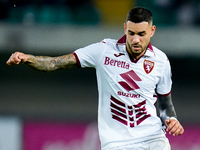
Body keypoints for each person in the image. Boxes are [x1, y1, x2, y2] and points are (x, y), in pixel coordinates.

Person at [6, 7, 184, 150]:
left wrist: (172, 120)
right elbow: (56, 63)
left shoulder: (161, 60)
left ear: (152, 31)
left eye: (141, 34)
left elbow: (165, 104)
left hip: (153, 138)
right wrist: (28, 58)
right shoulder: (104, 50)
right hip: (117, 143)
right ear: (125, 28)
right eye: (131, 33)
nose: (136, 40)